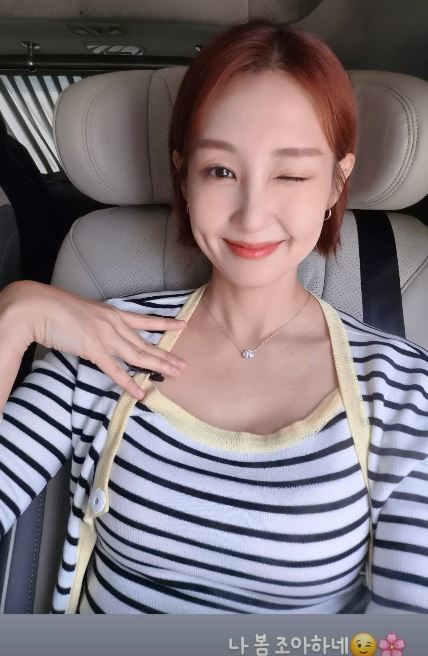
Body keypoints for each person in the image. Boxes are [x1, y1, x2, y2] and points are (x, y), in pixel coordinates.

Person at [0, 19, 427, 615]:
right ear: (183, 175)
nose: (251, 215)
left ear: (336, 183)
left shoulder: (403, 389)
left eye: (291, 173)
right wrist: (15, 316)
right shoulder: (104, 342)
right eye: (220, 171)